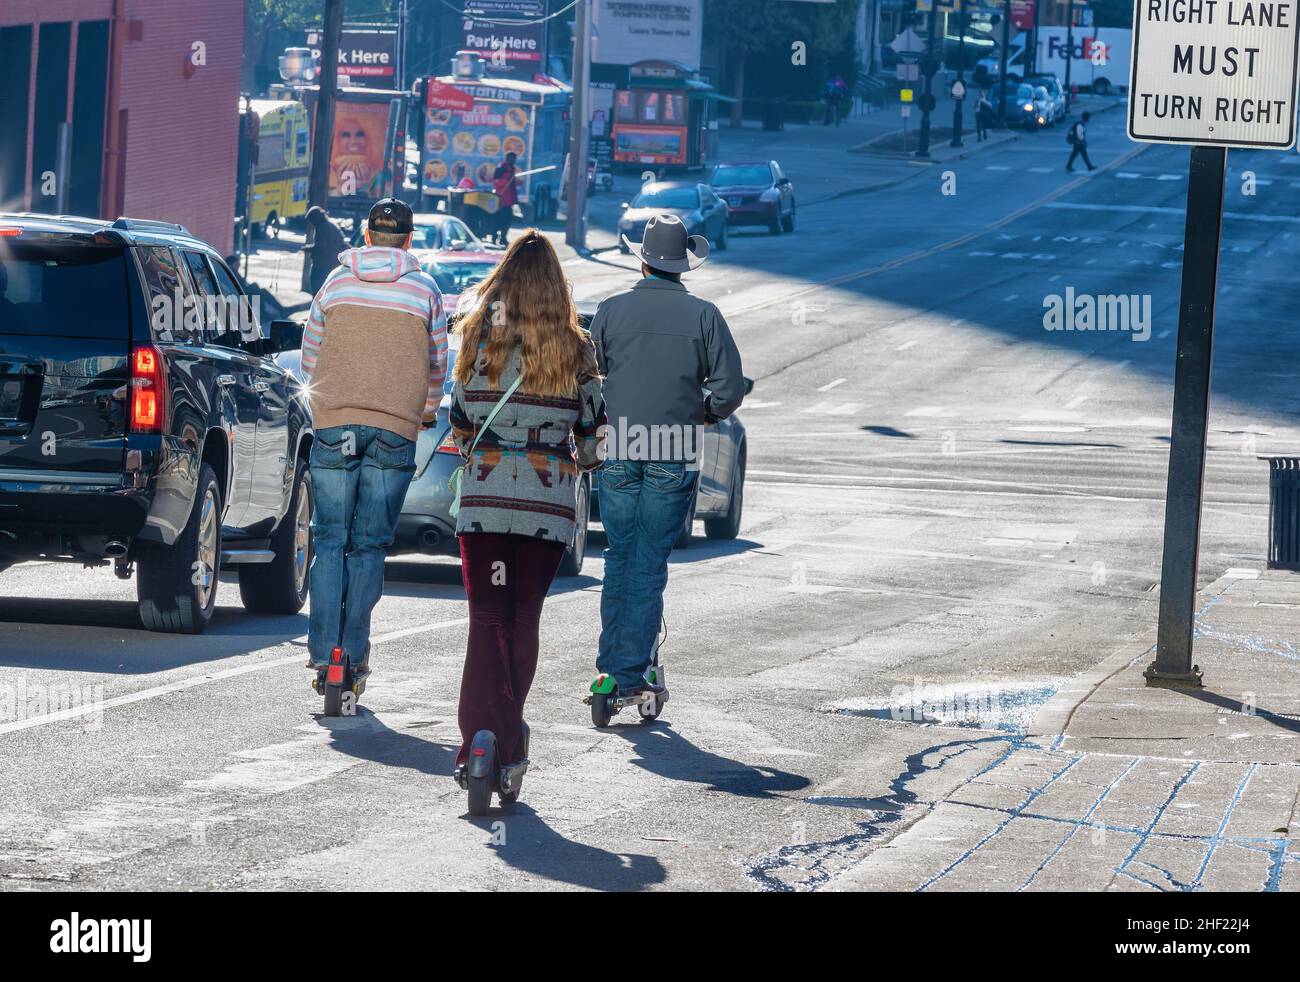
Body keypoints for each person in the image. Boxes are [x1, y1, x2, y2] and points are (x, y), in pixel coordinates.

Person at [448, 229, 605, 781]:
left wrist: (484, 447)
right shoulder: (574, 346)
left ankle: (484, 741)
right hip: (545, 506)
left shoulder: (476, 336)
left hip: (486, 501)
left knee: (485, 616)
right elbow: (591, 438)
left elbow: (460, 417)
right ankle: (508, 737)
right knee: (523, 616)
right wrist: (581, 456)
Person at [589, 214, 744, 700]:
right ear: (683, 267)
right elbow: (730, 389)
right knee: (649, 562)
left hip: (621, 443)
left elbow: (590, 380)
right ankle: (632, 673)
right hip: (672, 448)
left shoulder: (610, 311)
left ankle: (610, 669)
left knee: (619, 557)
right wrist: (702, 412)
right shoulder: (704, 316)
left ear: (642, 262)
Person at [300, 197, 448, 683]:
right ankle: (354, 654)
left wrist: (326, 407)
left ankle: (326, 656)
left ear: (367, 236)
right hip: (394, 428)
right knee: (368, 546)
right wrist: (423, 413)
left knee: (329, 539)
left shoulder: (335, 282)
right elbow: (437, 366)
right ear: (409, 240)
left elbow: (310, 354)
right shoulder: (425, 291)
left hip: (333, 424)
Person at [304, 206, 347, 295]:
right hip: (333, 265)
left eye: (312, 219)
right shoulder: (332, 225)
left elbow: (320, 247)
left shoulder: (321, 227)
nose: (311, 222)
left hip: (321, 266)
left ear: (316, 218)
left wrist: (308, 248)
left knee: (317, 291)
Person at [491, 151, 520, 245]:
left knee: (507, 221)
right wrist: (507, 178)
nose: (513, 160)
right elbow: (496, 182)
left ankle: (503, 238)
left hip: (509, 201)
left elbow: (512, 186)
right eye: (511, 158)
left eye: (514, 159)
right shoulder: (501, 168)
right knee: (498, 220)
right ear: (507, 158)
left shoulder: (512, 169)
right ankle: (494, 237)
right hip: (501, 200)